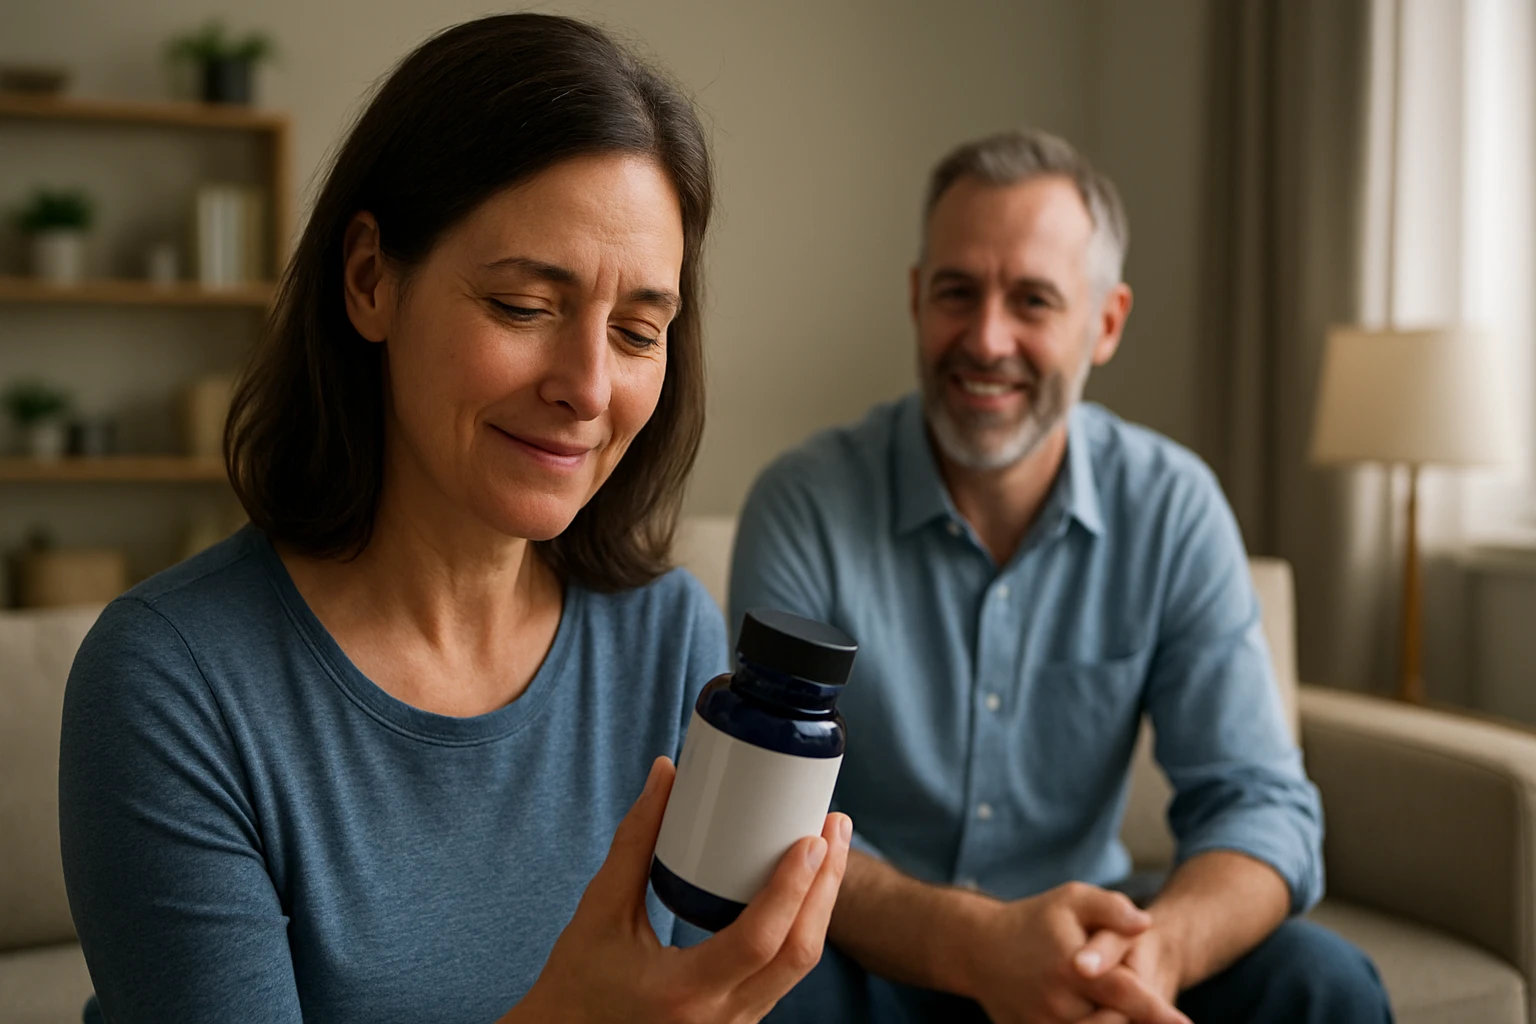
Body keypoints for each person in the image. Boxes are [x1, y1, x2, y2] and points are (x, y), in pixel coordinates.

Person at [57, 15, 850, 1024]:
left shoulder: (667, 638)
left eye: (637, 330)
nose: (587, 387)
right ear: (369, 279)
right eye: (524, 306)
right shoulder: (172, 683)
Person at [731, 129, 1392, 1023]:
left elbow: (1262, 804)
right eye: (957, 292)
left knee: (1327, 984)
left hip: (1094, 951)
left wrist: (1152, 957)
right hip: (875, 959)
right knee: (755, 982)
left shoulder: (1172, 507)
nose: (987, 338)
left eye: (1033, 300)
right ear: (917, 298)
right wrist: (982, 949)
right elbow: (771, 820)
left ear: (1105, 322)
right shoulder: (804, 502)